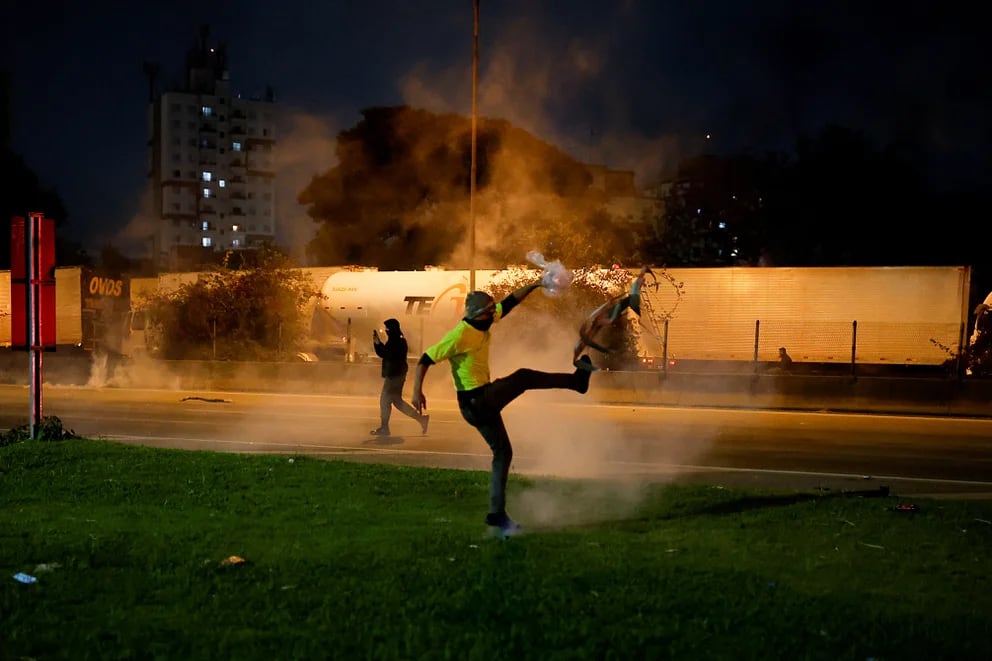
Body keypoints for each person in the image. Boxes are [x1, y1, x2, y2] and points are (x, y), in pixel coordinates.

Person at [410, 282, 593, 537]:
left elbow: (509, 302)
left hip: (482, 402)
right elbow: (425, 359)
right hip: (476, 401)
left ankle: (496, 516)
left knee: (503, 454)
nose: (492, 316)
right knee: (523, 377)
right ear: (475, 315)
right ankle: (576, 382)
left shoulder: (485, 319)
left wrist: (536, 284)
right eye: (487, 313)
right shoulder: (459, 335)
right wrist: (416, 390)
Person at [371, 318, 430, 437]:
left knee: (385, 401)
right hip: (397, 374)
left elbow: (386, 354)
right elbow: (387, 353)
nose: (386, 330)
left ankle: (384, 428)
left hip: (394, 375)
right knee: (397, 401)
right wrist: (378, 344)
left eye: (387, 328)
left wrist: (377, 344)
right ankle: (421, 419)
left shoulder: (397, 341)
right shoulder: (397, 340)